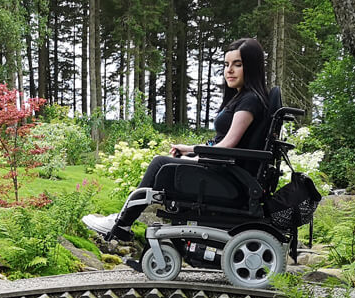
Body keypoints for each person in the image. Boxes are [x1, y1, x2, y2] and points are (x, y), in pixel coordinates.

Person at [82, 37, 276, 240]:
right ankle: (122, 222)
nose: (229, 70)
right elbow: (225, 144)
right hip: (227, 173)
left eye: (238, 64)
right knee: (163, 164)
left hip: (230, 179)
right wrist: (190, 149)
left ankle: (122, 223)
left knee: (160, 163)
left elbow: (228, 145)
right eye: (226, 65)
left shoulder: (250, 100)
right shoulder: (243, 97)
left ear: (252, 67)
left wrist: (196, 156)